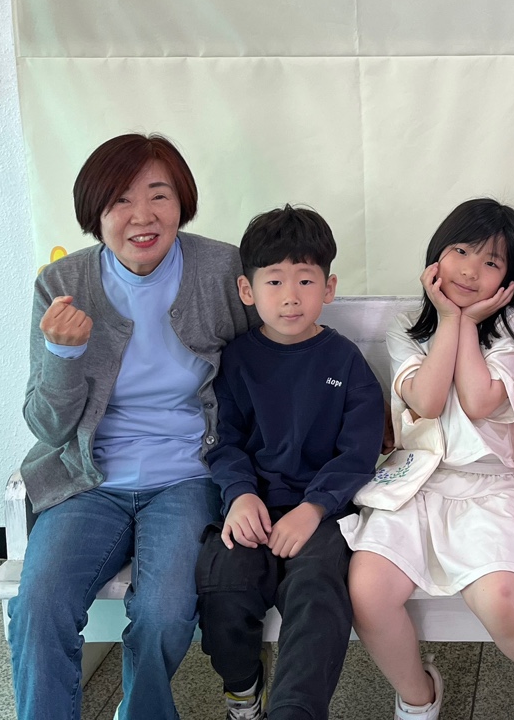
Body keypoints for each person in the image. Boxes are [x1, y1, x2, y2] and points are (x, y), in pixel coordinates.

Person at [9, 133, 252, 720]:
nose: (143, 216)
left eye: (159, 195)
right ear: (95, 213)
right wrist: (63, 355)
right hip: (87, 478)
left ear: (182, 202)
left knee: (165, 611)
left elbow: (262, 368)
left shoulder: (222, 268)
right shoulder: (61, 284)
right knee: (39, 605)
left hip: (189, 476)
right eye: (120, 200)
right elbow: (46, 425)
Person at [340, 198, 514, 720]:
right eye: (460, 251)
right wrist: (449, 318)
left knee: (502, 598)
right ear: (436, 255)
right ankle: (418, 697)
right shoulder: (406, 326)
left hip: (494, 488)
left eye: (491, 261)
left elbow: (480, 401)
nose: (469, 270)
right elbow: (426, 400)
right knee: (367, 591)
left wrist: (467, 323)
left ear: (509, 278)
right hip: (413, 484)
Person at [196, 205, 385, 720]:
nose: (290, 296)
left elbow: (360, 452)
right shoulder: (236, 361)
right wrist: (240, 495)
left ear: (329, 287)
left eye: (305, 280)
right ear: (247, 289)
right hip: (251, 508)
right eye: (274, 281)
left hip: (322, 514)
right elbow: (223, 441)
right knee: (224, 582)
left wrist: (314, 508)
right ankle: (243, 689)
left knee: (318, 592)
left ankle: (296, 710)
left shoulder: (344, 361)